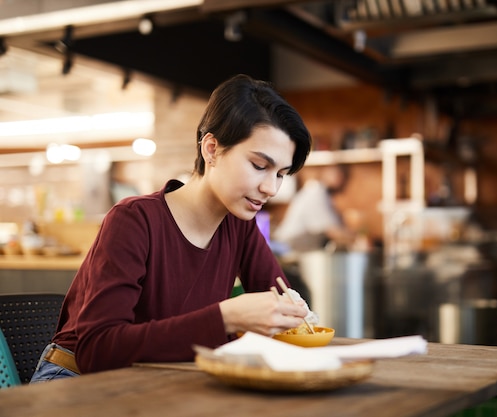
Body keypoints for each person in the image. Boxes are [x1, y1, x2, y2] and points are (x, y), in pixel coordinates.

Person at [30, 74, 312, 381]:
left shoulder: (240, 224)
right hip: (74, 379)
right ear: (212, 150)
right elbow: (99, 350)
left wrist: (293, 315)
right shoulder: (134, 220)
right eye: (259, 166)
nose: (271, 188)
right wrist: (226, 318)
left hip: (156, 379)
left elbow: (287, 309)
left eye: (281, 174)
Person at [273, 164, 356, 253]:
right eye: (335, 174)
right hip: (288, 248)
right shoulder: (315, 193)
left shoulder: (323, 195)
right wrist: (356, 238)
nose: (338, 179)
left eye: (341, 176)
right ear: (324, 173)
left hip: (297, 248)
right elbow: (331, 230)